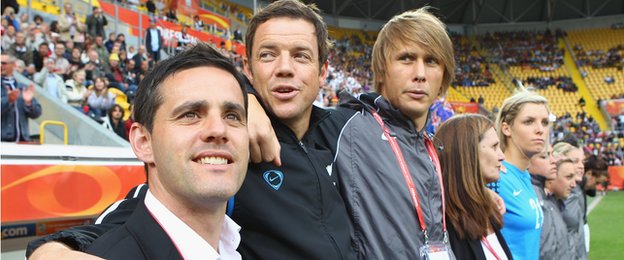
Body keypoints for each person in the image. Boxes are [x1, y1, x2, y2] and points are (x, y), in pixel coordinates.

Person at [27, 1, 355, 259]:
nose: (284, 68)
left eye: (301, 56)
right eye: (268, 55)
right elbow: (143, 210)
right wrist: (57, 248)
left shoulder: (347, 132)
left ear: (323, 70)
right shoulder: (230, 152)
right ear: (248, 69)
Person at [78, 43, 249, 259]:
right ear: (143, 142)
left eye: (232, 116)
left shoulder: (243, 247)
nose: (218, 129)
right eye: (190, 114)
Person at [332, 7, 457, 258]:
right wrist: (251, 101)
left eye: (431, 61)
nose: (420, 74)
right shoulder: (345, 127)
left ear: (443, 78)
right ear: (382, 70)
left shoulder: (430, 147)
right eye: (406, 58)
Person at [436, 114, 512, 260]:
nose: (501, 156)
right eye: (494, 147)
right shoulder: (442, 224)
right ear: (468, 152)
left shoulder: (486, 211)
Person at [492, 88, 550, 259]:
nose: (540, 130)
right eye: (529, 121)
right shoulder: (495, 179)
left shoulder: (524, 176)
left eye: (545, 122)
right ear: (506, 128)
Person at [552, 142, 588, 260]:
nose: (581, 166)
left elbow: (578, 235)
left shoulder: (577, 192)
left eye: (582, 161)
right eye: (575, 161)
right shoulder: (550, 196)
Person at [540, 157, 577, 259]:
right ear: (551, 179)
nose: (574, 184)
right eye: (569, 177)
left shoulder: (558, 205)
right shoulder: (541, 207)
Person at [1, 54, 42, 142]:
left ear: (13, 65)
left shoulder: (21, 87)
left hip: (22, 140)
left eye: (4, 63)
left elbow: (37, 113)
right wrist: (8, 100)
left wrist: (28, 103)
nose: (0, 66)